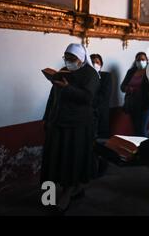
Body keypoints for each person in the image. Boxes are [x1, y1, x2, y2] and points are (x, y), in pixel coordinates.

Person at [41, 43, 100, 212]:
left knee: (71, 161)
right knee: (52, 161)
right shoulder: (63, 71)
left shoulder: (91, 74)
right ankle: (49, 197)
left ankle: (68, 193)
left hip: (77, 125)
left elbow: (88, 98)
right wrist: (46, 117)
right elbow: (53, 96)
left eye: (71, 59)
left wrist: (68, 88)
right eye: (65, 58)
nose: (68, 61)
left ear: (81, 59)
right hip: (57, 121)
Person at [121, 52, 149, 137]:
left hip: (146, 104)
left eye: (143, 59)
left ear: (147, 60)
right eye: (138, 60)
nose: (140, 61)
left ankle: (145, 149)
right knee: (135, 129)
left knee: (142, 129)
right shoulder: (131, 71)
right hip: (132, 105)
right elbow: (122, 86)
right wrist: (129, 89)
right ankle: (137, 149)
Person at [90, 54, 112, 139]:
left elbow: (104, 95)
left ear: (101, 64)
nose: (95, 64)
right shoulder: (85, 78)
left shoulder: (106, 77)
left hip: (101, 113)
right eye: (92, 62)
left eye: (97, 62)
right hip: (88, 115)